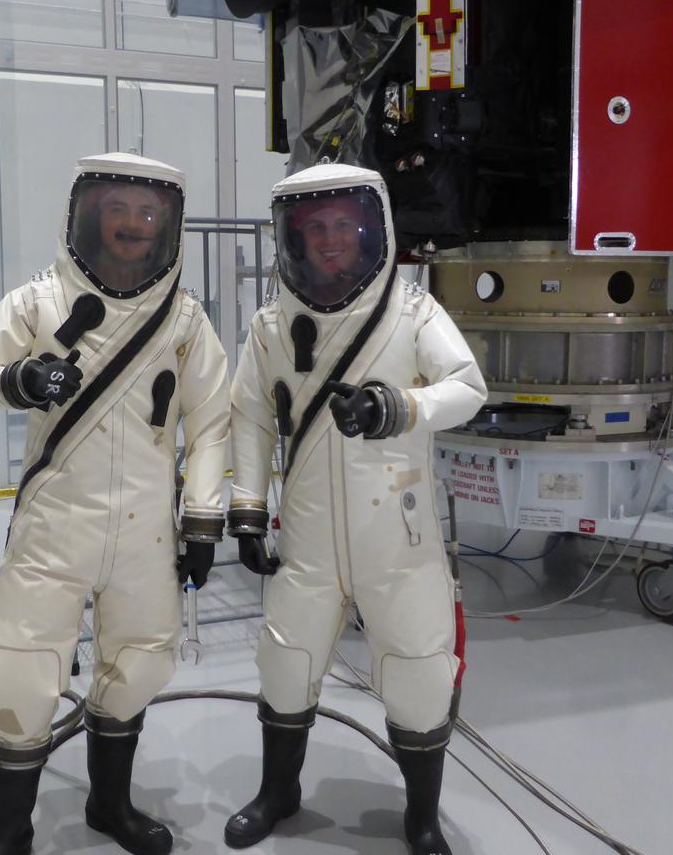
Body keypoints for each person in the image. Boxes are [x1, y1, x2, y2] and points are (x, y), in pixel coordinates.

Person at [0, 152, 230, 855]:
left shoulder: (185, 319)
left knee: (139, 665)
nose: (133, 225)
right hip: (54, 526)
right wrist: (17, 378)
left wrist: (202, 520)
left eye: (147, 213)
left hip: (145, 531)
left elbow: (213, 420)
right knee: (19, 676)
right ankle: (10, 839)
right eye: (117, 209)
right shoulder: (39, 302)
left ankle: (110, 805)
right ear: (88, 216)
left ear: (168, 224)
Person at [224, 163, 487, 855]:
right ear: (294, 239)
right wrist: (248, 509)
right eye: (316, 229)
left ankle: (421, 817)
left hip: (398, 536)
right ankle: (279, 791)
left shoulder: (412, 312)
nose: (332, 241)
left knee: (420, 671)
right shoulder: (273, 327)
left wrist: (398, 407)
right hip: (308, 535)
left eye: (345, 225)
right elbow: (249, 416)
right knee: (286, 662)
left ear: (372, 229)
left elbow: (467, 386)